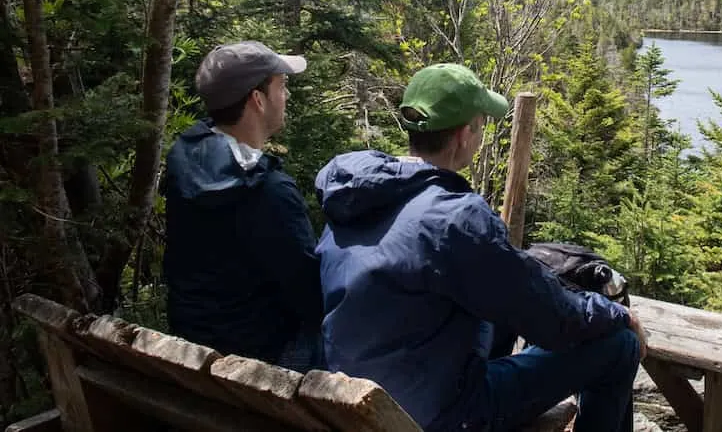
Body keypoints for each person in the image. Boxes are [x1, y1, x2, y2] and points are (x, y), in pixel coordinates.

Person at [316, 63, 645, 432]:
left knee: (496, 316)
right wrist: (617, 314)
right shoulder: (454, 217)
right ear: (463, 136)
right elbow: (554, 320)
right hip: (437, 413)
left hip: (354, 396)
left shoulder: (357, 194)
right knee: (618, 347)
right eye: (481, 124)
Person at [161, 41, 322, 372]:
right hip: (257, 363)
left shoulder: (184, 162)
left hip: (194, 351)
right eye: (282, 86)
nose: (287, 96)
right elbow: (313, 299)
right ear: (257, 100)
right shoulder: (269, 192)